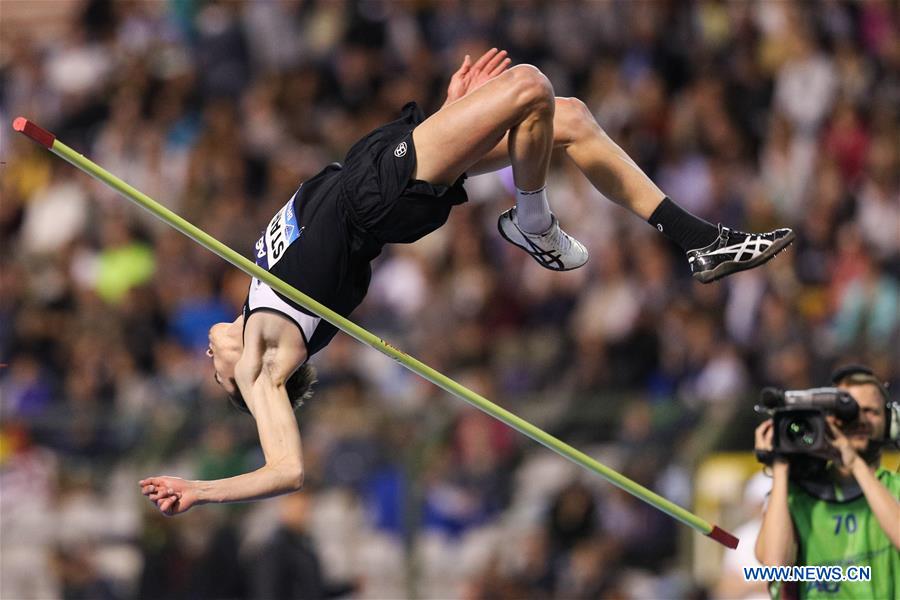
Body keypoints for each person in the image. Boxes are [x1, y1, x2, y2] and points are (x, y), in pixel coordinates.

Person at [140, 49, 793, 515]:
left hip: (380, 161)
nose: (210, 358)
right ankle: (533, 221)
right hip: (378, 194)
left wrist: (449, 118)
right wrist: (202, 491)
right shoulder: (265, 361)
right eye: (216, 375)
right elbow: (288, 470)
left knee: (566, 119)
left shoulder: (254, 295)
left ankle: (697, 241)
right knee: (529, 85)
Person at [754, 365, 900, 599]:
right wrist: (780, 464)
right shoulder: (795, 496)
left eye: (870, 411)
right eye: (848, 411)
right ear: (828, 419)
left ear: (891, 421)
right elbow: (775, 568)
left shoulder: (896, 488)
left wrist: (854, 464)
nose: (859, 419)